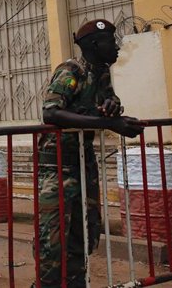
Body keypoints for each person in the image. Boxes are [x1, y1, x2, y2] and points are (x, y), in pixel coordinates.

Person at [36, 19, 144, 287]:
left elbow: (109, 101)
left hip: (83, 161)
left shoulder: (102, 73)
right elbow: (50, 112)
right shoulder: (72, 71)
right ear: (95, 45)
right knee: (52, 237)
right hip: (57, 166)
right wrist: (108, 123)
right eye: (111, 40)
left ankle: (75, 281)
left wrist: (112, 107)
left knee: (84, 232)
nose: (117, 46)